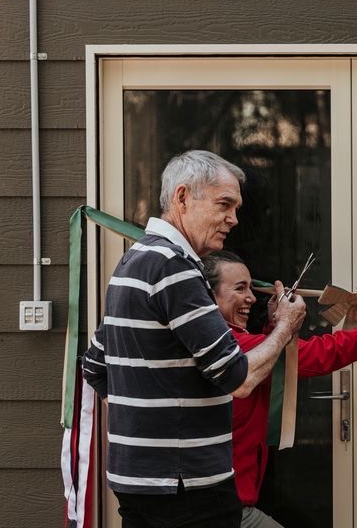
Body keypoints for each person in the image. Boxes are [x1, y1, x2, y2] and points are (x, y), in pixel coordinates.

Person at [82, 150, 306, 527]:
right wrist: (285, 326)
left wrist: (151, 413)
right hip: (186, 486)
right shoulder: (175, 267)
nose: (234, 219)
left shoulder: (133, 260)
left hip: (138, 481)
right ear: (182, 197)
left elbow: (94, 366)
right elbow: (238, 377)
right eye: (225, 204)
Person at [201, 250, 357, 528]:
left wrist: (275, 326)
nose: (250, 297)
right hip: (223, 509)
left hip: (231, 498)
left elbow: (267, 359)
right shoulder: (228, 345)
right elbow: (325, 352)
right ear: (208, 296)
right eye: (239, 288)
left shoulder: (229, 339)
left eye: (250, 287)